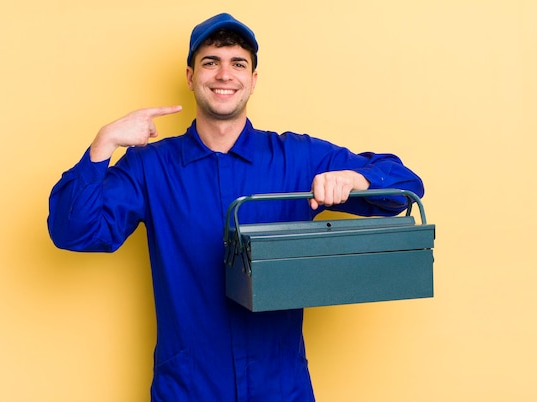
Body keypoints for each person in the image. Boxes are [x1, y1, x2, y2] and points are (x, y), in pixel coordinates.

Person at [48, 12, 424, 401]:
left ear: (253, 80)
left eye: (238, 63)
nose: (224, 74)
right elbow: (74, 230)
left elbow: (404, 186)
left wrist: (356, 180)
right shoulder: (150, 167)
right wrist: (103, 144)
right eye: (211, 62)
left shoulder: (296, 157)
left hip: (281, 388)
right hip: (188, 388)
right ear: (191, 76)